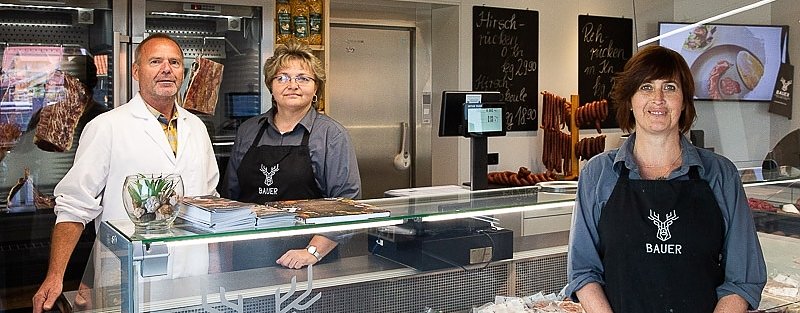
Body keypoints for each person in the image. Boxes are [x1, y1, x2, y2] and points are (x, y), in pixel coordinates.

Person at [565, 45, 766, 312]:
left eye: (670, 87)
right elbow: (583, 270)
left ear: (684, 102)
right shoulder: (598, 174)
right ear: (630, 100)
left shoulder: (720, 174)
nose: (658, 99)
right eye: (646, 87)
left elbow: (743, 279)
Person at [32, 33, 219, 313]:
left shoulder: (198, 128)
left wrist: (217, 269)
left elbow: (209, 201)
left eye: (175, 62)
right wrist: (55, 276)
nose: (167, 69)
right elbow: (74, 207)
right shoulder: (107, 127)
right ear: (135, 71)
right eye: (155, 61)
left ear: (183, 72)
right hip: (128, 270)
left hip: (193, 271)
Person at [222, 40, 361, 269]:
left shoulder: (331, 135)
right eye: (283, 77)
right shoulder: (248, 131)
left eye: (303, 78)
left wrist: (311, 252)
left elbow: (347, 203)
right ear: (271, 86)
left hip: (310, 259)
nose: (292, 85)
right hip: (248, 254)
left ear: (316, 88)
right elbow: (231, 199)